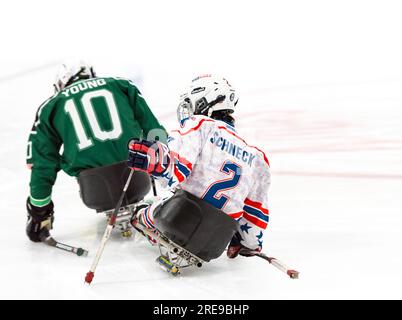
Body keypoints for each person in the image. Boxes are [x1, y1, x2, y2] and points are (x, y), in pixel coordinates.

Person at [127, 74, 270, 258]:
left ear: (206, 100)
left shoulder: (200, 125)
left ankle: (143, 217)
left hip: (177, 218)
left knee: (146, 210)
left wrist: (152, 159)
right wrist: (247, 243)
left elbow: (175, 170)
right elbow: (255, 211)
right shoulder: (257, 158)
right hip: (215, 243)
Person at [26, 59, 166, 243]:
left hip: (94, 191)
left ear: (61, 83)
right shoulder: (121, 84)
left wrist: (39, 213)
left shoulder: (51, 106)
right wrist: (163, 171)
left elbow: (42, 164)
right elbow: (155, 132)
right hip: (138, 180)